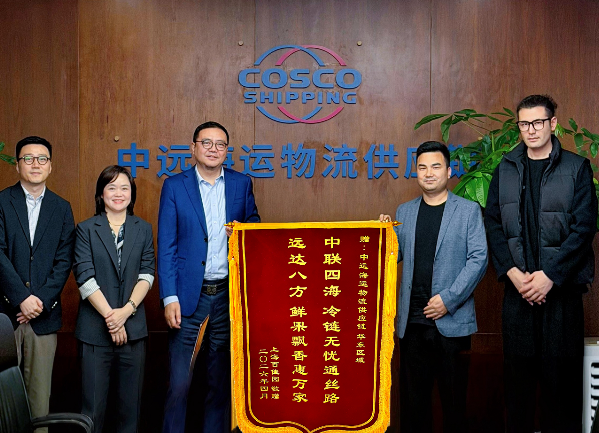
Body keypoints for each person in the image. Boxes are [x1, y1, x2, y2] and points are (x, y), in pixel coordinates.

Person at [485, 95, 597, 433]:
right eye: (524, 123)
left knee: (561, 388)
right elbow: (493, 224)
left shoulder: (577, 167)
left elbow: (583, 229)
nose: (531, 130)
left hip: (561, 293)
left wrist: (550, 276)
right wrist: (513, 273)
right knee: (517, 387)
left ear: (552, 123)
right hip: (518, 293)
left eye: (537, 122)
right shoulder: (505, 168)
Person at [159, 121, 260, 433]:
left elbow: (255, 226)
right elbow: (166, 245)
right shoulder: (175, 186)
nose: (213, 149)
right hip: (189, 297)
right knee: (179, 384)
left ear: (227, 150)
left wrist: (242, 231)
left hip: (227, 297)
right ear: (193, 148)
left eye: (220, 144)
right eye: (207, 143)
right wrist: (169, 297)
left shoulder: (241, 183)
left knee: (220, 384)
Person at [380, 141, 487, 433]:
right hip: (412, 325)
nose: (429, 173)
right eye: (422, 167)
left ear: (449, 171)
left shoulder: (467, 211)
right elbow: (393, 257)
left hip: (451, 324)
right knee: (414, 409)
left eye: (436, 166)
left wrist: (448, 300)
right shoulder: (405, 211)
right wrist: (384, 233)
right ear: (416, 172)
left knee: (454, 407)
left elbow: (479, 259)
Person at [0, 136, 75, 433]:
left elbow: (64, 261)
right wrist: (21, 298)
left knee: (39, 404)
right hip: (5, 317)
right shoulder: (2, 201)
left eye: (42, 159)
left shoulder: (62, 207)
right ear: (17, 165)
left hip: (44, 318)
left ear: (50, 166)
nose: (35, 164)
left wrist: (38, 301)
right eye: (28, 158)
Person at [73, 165, 155, 433]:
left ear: (132, 193)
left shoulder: (143, 229)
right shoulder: (86, 229)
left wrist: (125, 313)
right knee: (92, 412)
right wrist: (112, 319)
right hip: (95, 333)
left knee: (130, 414)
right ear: (101, 193)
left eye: (124, 188)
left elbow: (147, 274)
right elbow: (85, 278)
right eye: (112, 187)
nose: (118, 193)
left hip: (133, 333)